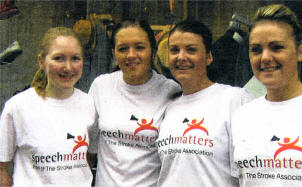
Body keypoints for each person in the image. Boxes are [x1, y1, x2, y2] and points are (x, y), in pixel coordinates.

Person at [230, 4, 302, 186]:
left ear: (300, 51)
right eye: (256, 49)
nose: (265, 57)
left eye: (276, 47)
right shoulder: (241, 117)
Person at [156, 19, 252, 186]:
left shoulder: (234, 99)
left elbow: (249, 175)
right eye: (174, 50)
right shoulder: (167, 106)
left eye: (191, 50)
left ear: (209, 57)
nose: (181, 57)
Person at [88, 19, 181, 186]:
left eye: (139, 47)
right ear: (113, 53)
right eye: (123, 49)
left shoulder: (171, 91)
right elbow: (89, 152)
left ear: (152, 51)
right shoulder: (101, 86)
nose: (131, 55)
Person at [0, 27, 96, 186]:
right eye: (59, 58)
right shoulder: (17, 107)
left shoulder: (90, 104)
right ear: (41, 61)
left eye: (75, 58)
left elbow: (89, 157)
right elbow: (1, 168)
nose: (68, 67)